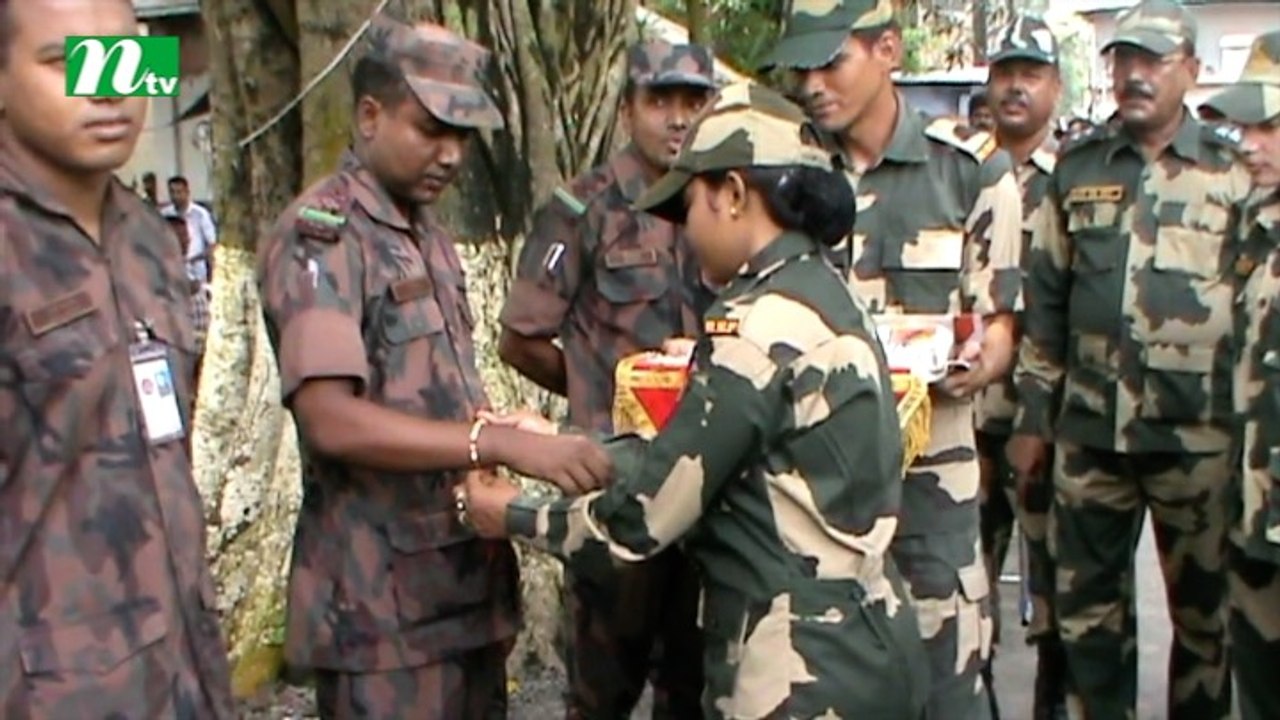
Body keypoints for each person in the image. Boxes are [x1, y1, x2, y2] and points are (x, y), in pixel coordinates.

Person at [463, 80, 929, 720]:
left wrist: (511, 513)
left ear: (734, 194)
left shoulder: (756, 326)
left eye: (690, 210)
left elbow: (640, 523)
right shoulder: (822, 291)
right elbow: (708, 457)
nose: (684, 235)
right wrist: (555, 446)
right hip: (866, 649)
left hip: (798, 674)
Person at [256, 17, 612, 719]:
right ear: (369, 115)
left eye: (463, 136)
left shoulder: (429, 238)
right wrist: (495, 444)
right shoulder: (323, 236)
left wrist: (496, 426)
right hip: (379, 610)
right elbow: (330, 419)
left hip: (462, 588)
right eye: (431, 129)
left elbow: (427, 392)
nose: (451, 154)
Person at [763, 1, 1024, 716]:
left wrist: (978, 356)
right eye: (802, 67)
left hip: (930, 485)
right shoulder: (783, 173)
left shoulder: (970, 172)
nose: (813, 84)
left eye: (832, 62)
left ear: (888, 50)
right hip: (812, 486)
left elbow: (1000, 324)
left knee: (945, 688)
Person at [1007, 1, 1252, 718]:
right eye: (1123, 60)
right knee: (1087, 619)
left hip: (1201, 439)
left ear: (1192, 72)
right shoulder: (1078, 170)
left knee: (1208, 626)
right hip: (1090, 435)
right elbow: (1045, 299)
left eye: (1152, 61)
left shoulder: (1233, 174)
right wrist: (1032, 419)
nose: (1134, 75)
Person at [0, 0, 235, 717]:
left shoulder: (146, 235)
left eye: (127, 61)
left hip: (180, 666)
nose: (108, 88)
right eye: (64, 63)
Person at [497, 39, 715, 719]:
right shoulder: (583, 208)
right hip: (613, 486)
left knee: (695, 680)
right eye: (660, 101)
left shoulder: (727, 202)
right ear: (627, 110)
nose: (678, 119)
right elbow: (521, 337)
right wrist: (598, 392)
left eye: (693, 102)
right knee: (601, 689)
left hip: (707, 476)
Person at [976, 14, 1067, 719]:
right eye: (1005, 73)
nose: (1015, 87)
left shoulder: (1079, 179)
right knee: (962, 600)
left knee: (1061, 606)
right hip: (968, 421)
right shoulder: (960, 169)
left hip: (1051, 427)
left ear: (1055, 88)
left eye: (1030, 74)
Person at [1200, 29, 1280, 720]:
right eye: (1245, 126)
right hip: (1256, 513)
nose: (1249, 143)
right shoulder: (1256, 222)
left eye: (1271, 125)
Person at [163, 175, 217, 284]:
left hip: (197, 273)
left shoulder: (201, 214)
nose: (175, 196)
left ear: (187, 192)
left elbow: (212, 245)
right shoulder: (165, 215)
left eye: (179, 192)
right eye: (172, 192)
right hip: (173, 273)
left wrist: (192, 260)